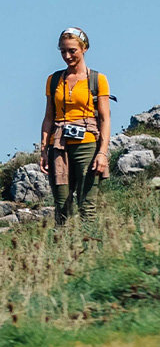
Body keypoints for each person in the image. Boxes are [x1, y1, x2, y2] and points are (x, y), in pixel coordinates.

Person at [39, 27, 112, 225]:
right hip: (58, 145)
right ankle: (63, 243)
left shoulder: (98, 80)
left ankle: (90, 243)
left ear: (84, 48)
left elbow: (105, 119)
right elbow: (48, 117)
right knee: (61, 205)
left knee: (87, 204)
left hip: (87, 144)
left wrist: (102, 153)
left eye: (72, 51)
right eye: (63, 51)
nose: (67, 56)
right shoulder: (53, 80)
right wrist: (44, 150)